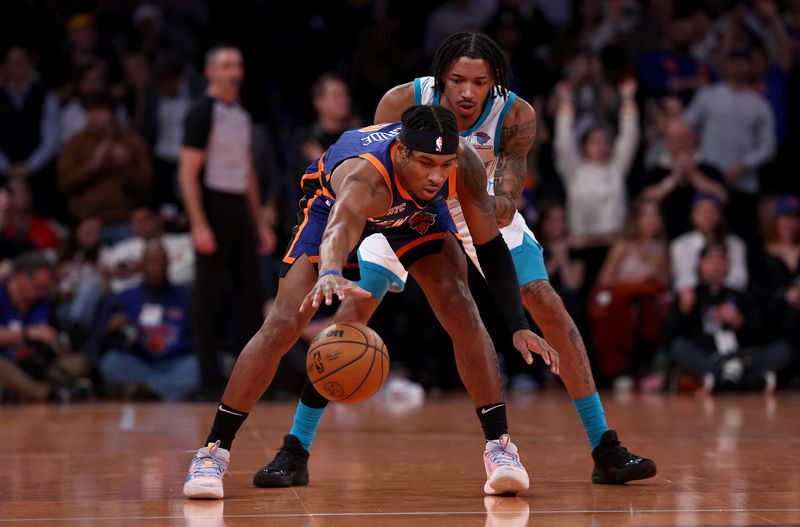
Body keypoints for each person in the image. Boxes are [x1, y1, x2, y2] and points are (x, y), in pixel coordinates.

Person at [256, 32, 655, 490]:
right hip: (406, 210)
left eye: (480, 82)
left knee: (546, 304)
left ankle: (605, 446)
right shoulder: (403, 99)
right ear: (441, 77)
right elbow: (374, 165)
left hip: (477, 208)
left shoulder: (516, 115)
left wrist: (473, 192)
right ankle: (295, 449)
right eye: (458, 80)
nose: (467, 92)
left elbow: (504, 200)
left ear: (494, 83)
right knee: (352, 315)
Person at [183, 104, 559, 499]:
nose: (436, 175)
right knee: (284, 321)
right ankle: (213, 451)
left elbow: (490, 247)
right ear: (400, 151)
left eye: (444, 164)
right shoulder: (365, 177)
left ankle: (500, 449)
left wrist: (518, 325)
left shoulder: (461, 166)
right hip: (333, 205)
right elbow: (340, 227)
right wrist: (330, 271)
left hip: (416, 213)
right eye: (427, 163)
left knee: (460, 304)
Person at [178, 44, 275, 395]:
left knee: (252, 296)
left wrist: (259, 222)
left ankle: (252, 381)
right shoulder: (202, 111)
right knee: (208, 297)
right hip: (213, 205)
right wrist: (198, 223)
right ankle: (207, 379)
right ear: (210, 72)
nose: (234, 70)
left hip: (238, 209)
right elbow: (187, 172)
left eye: (238, 64)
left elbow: (247, 172)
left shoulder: (241, 115)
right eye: (226, 64)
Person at [665, 242, 792, 395]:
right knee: (680, 347)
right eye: (711, 261)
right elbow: (669, 337)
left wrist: (740, 322)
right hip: (709, 357)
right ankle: (748, 381)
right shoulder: (690, 296)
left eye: (721, 261)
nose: (716, 266)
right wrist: (683, 312)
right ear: (700, 265)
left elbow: (761, 335)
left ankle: (723, 380)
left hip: (743, 357)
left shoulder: (741, 297)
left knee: (783, 348)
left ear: (728, 266)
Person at [97, 240, 198, 401]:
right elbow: (102, 338)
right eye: (151, 262)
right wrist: (112, 328)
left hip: (176, 363)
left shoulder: (185, 295)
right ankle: (166, 391)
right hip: (140, 363)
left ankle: (150, 391)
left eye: (161, 262)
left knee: (198, 366)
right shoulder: (125, 297)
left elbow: (197, 336)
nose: (156, 267)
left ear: (168, 264)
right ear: (142, 265)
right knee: (111, 363)